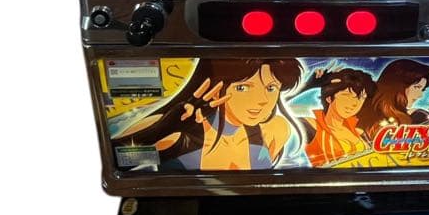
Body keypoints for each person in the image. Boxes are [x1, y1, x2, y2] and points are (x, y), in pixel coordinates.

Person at [113, 58, 302, 170]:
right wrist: (161, 130)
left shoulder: (274, 130)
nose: (262, 99)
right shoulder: (179, 134)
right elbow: (118, 162)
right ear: (215, 87)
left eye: (271, 88)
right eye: (243, 87)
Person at [356, 59, 429, 138]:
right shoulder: (358, 111)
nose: (420, 95)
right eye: (417, 87)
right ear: (397, 86)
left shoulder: (418, 116)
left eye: (422, 89)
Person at [300, 66, 376, 166]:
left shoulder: (359, 131)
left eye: (361, 98)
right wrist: (308, 85)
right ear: (329, 98)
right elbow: (279, 114)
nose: (354, 103)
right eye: (347, 96)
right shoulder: (311, 126)